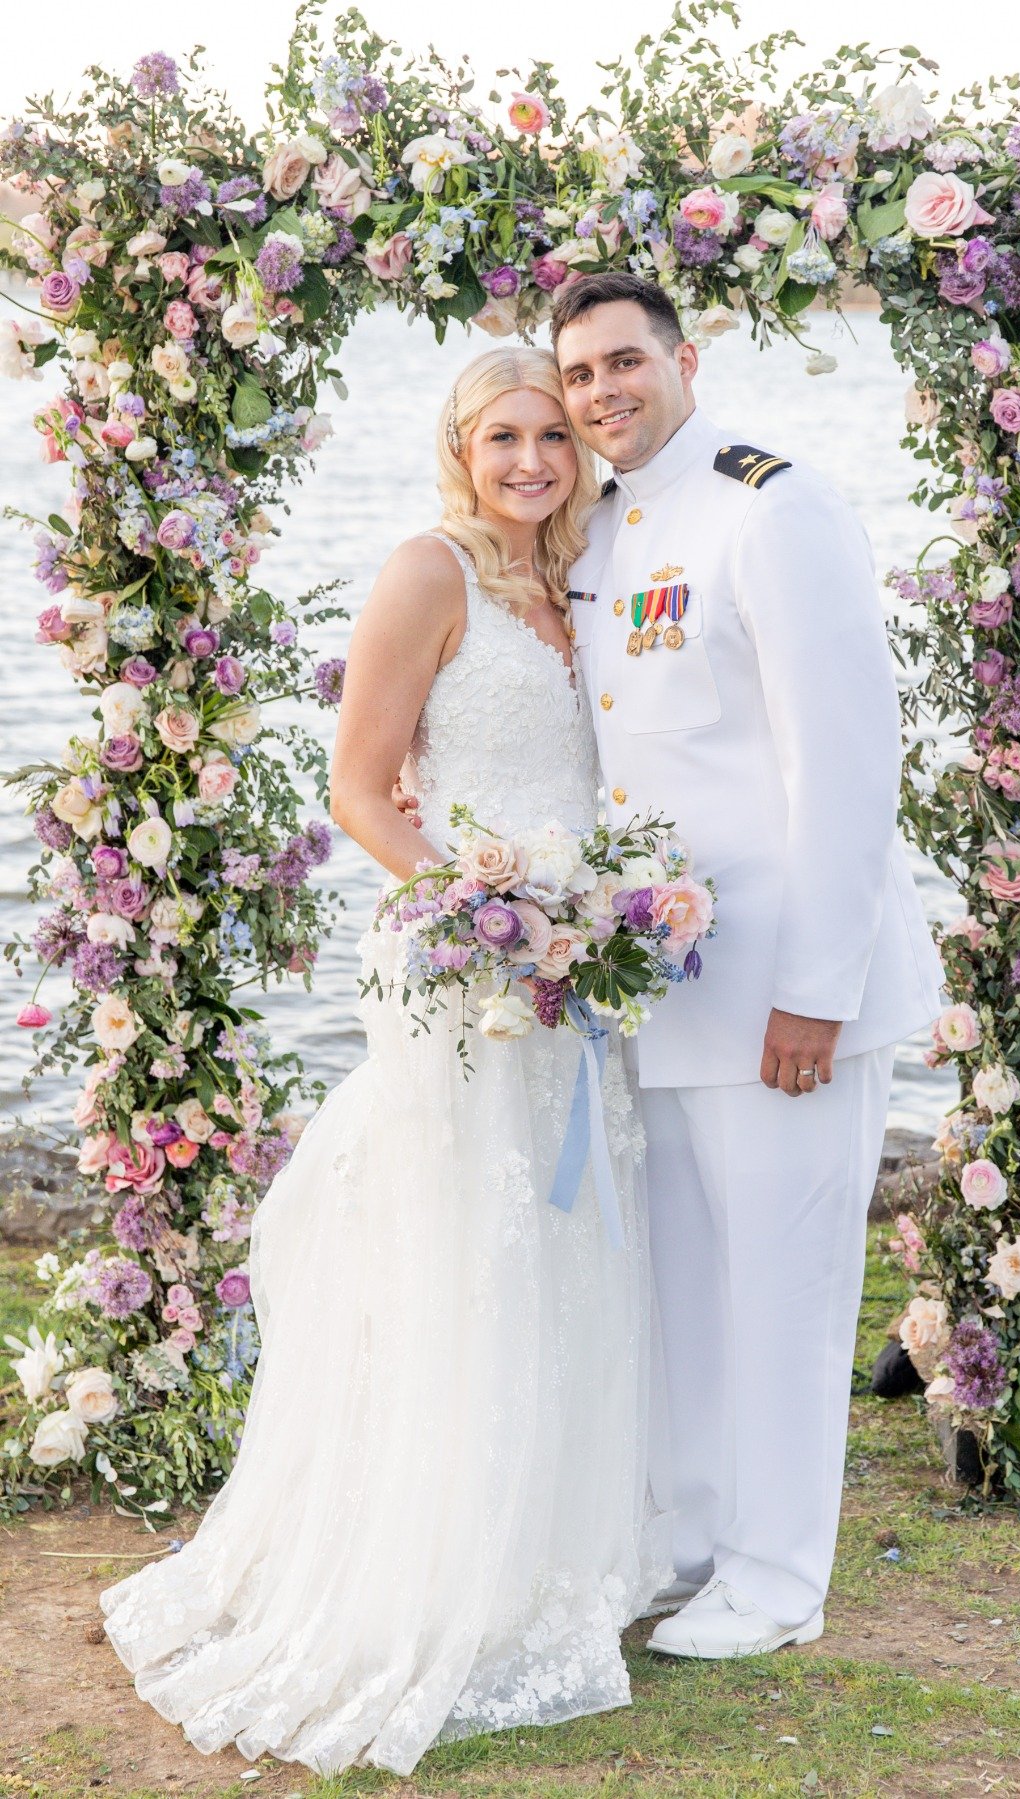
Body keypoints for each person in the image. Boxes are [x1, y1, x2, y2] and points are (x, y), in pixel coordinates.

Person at [99, 346, 670, 1776]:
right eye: (503, 438)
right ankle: (430, 1576)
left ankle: (547, 1559)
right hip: (462, 965)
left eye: (554, 435)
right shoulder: (433, 573)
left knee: (563, 1251)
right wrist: (490, 917)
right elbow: (359, 789)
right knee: (463, 1254)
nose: (533, 460)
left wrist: (583, 928)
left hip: (566, 968)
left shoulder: (583, 580)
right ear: (459, 448)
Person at [547, 271, 945, 1658]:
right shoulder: (597, 529)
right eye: (578, 373)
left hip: (785, 990)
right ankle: (701, 1541)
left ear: (685, 358)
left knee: (783, 1290)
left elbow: (843, 765)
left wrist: (818, 992)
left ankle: (779, 1582)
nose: (600, 392)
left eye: (621, 363)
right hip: (664, 995)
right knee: (691, 1292)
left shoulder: (774, 508)